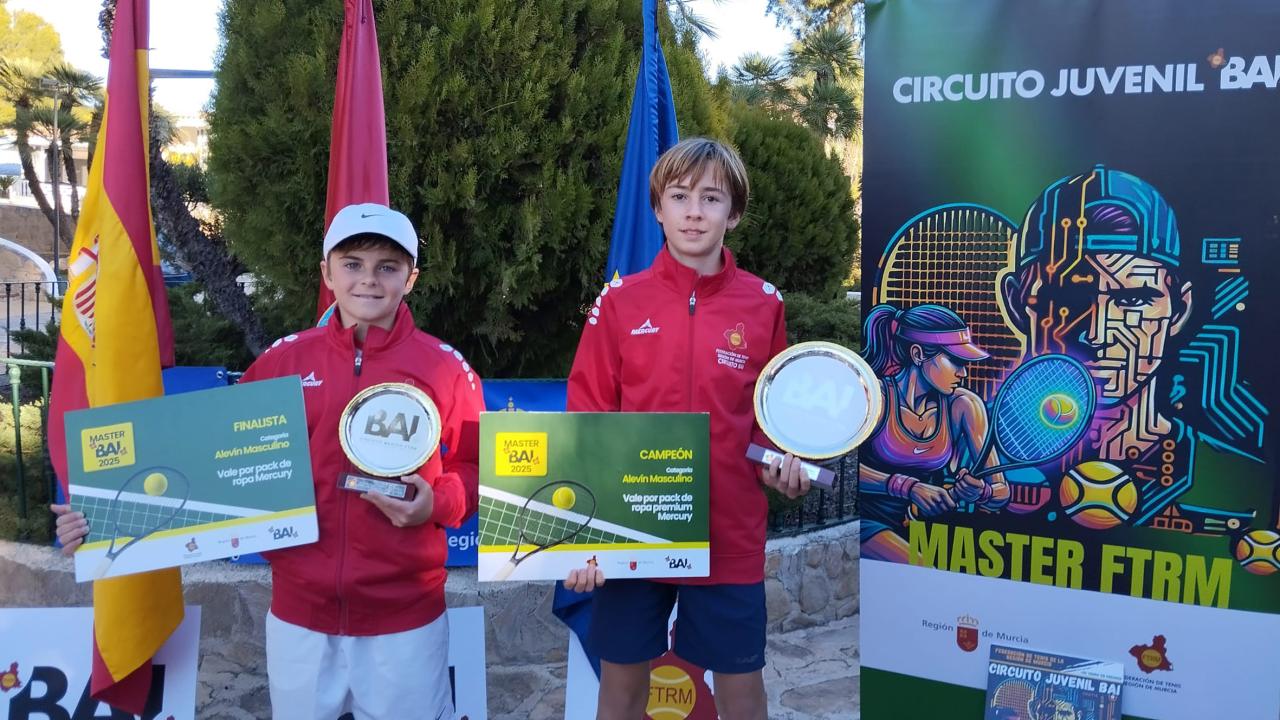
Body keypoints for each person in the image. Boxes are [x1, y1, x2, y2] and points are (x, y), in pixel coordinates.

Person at [52, 203, 484, 720]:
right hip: (300, 614)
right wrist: (103, 515)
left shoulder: (445, 367)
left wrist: (438, 502)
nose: (368, 280)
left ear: (410, 278)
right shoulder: (283, 362)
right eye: (352, 264)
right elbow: (204, 458)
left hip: (405, 617)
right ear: (326, 273)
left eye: (387, 267)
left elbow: (476, 466)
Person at [562, 137, 806, 720]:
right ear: (658, 209)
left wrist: (783, 462)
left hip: (730, 529)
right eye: (679, 196)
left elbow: (776, 415)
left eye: (711, 198)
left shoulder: (763, 305)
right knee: (621, 684)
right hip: (633, 528)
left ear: (734, 213)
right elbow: (588, 414)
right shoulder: (621, 302)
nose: (694, 211)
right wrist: (585, 534)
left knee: (741, 685)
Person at [998, 165, 1264, 535]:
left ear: (1178, 309)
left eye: (1134, 299)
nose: (1097, 332)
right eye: (1069, 297)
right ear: (1016, 303)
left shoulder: (1249, 492)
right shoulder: (956, 456)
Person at [857, 302, 1009, 562]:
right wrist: (908, 487)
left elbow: (1001, 491)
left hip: (924, 529)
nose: (963, 373)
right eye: (955, 361)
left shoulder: (964, 405)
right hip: (869, 522)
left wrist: (980, 491)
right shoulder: (875, 396)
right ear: (918, 354)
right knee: (915, 564)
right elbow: (842, 472)